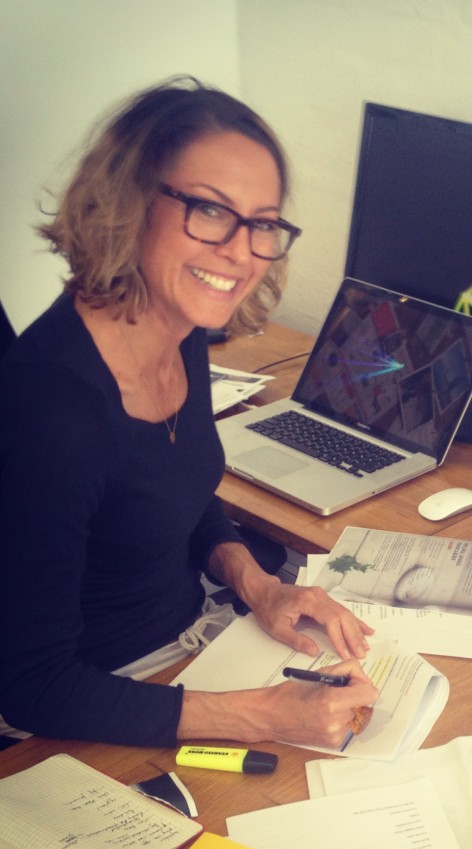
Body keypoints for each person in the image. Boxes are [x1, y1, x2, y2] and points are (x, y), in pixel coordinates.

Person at [0, 77, 378, 748]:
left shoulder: (181, 328)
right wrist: (263, 715)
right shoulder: (52, 411)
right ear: (131, 204)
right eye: (209, 210)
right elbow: (34, 686)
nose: (240, 250)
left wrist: (258, 585)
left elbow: (178, 489)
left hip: (192, 647)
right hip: (93, 710)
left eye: (262, 223)